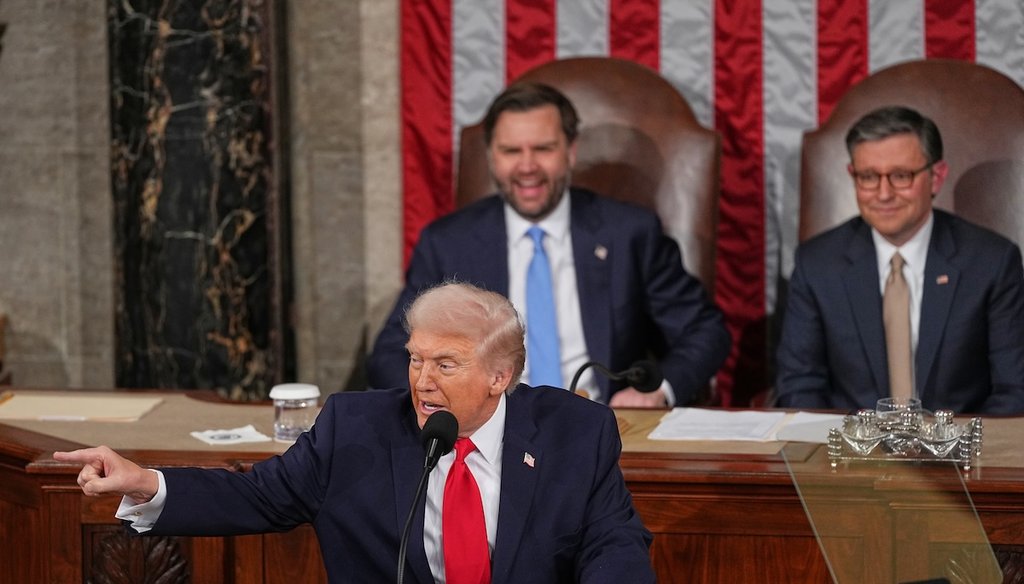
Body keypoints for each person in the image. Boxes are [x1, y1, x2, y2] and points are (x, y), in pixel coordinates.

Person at [55, 282, 656, 584]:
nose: (423, 381)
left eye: (445, 365)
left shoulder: (577, 432)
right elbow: (258, 495)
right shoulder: (355, 429)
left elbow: (615, 545)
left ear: (502, 375)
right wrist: (146, 484)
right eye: (416, 359)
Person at [368, 82, 730, 408]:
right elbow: (390, 354)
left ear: (570, 152)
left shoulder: (628, 232)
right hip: (482, 432)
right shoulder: (448, 243)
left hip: (603, 428)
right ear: (493, 157)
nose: (527, 167)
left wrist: (657, 390)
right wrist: (445, 403)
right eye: (511, 151)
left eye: (543, 149)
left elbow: (704, 330)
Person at [776, 105, 1024, 414]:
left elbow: (1014, 391)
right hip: (854, 452)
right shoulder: (818, 264)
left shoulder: (991, 262)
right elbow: (800, 386)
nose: (883, 194)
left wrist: (959, 452)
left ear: (936, 177)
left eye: (900, 176)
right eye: (868, 177)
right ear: (852, 176)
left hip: (960, 453)